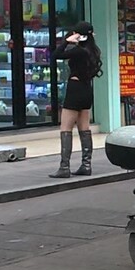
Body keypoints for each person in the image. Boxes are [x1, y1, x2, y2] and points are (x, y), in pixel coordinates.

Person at [50, 21, 103, 178]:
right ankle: (86, 165)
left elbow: (55, 55)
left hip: (75, 88)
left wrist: (67, 41)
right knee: (84, 128)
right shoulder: (93, 51)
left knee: (66, 128)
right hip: (87, 89)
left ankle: (64, 167)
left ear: (79, 35)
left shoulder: (78, 51)